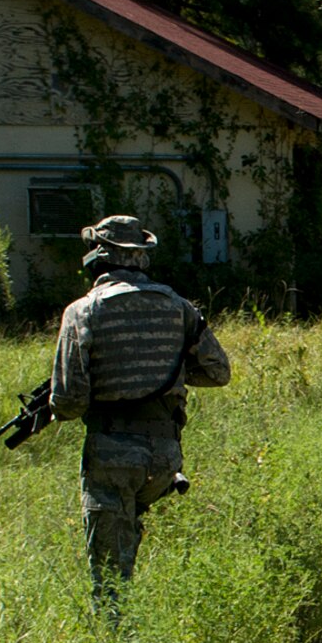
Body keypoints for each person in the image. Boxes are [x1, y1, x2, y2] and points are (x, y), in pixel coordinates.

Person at [49, 214, 231, 614]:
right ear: (141, 258)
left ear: (98, 257)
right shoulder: (180, 308)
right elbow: (218, 372)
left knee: (109, 576)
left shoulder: (83, 312)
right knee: (128, 537)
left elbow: (67, 403)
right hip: (166, 457)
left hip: (112, 453)